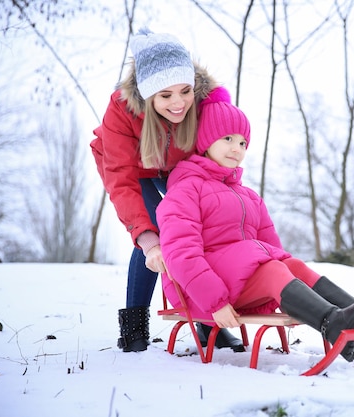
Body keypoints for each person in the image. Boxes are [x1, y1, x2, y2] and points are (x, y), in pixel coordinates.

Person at [156, 87, 354, 362]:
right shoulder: (185, 190)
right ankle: (333, 324)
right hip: (199, 292)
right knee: (272, 270)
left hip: (239, 281)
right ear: (205, 140)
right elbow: (181, 254)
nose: (237, 148)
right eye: (228, 138)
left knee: (292, 266)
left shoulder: (249, 197)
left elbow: (274, 253)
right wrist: (215, 302)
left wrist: (283, 272)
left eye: (243, 143)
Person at [90, 28, 243, 353]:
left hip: (180, 165)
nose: (178, 103)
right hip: (134, 167)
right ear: (147, 95)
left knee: (202, 228)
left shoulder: (206, 104)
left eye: (185, 91)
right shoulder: (121, 110)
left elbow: (216, 154)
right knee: (154, 230)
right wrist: (147, 240)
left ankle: (207, 323)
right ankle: (133, 329)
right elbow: (121, 177)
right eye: (165, 95)